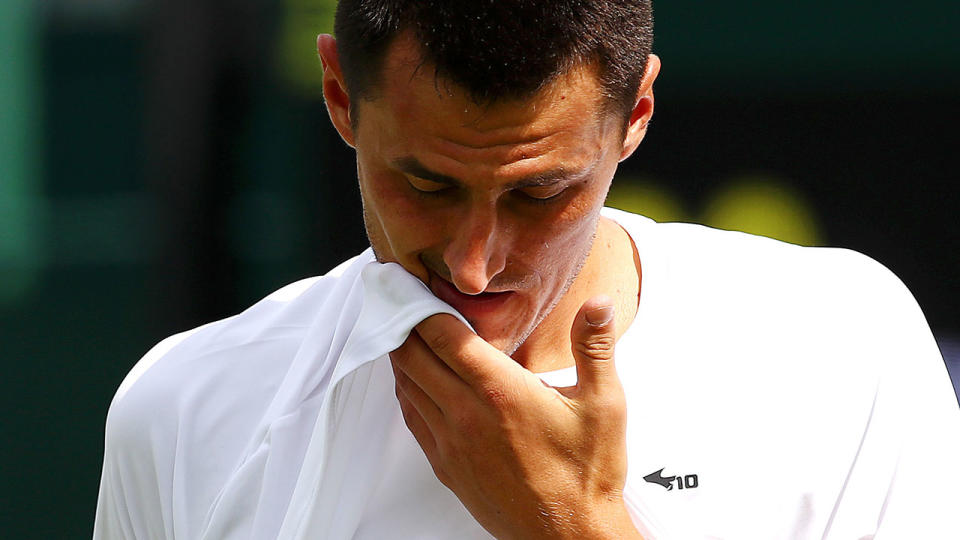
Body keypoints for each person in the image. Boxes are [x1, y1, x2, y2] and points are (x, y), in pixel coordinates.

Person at [94, 1, 960, 538]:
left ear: (637, 116)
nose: (475, 265)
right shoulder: (178, 411)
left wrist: (574, 526)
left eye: (541, 195)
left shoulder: (849, 349)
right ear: (338, 97)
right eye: (425, 184)